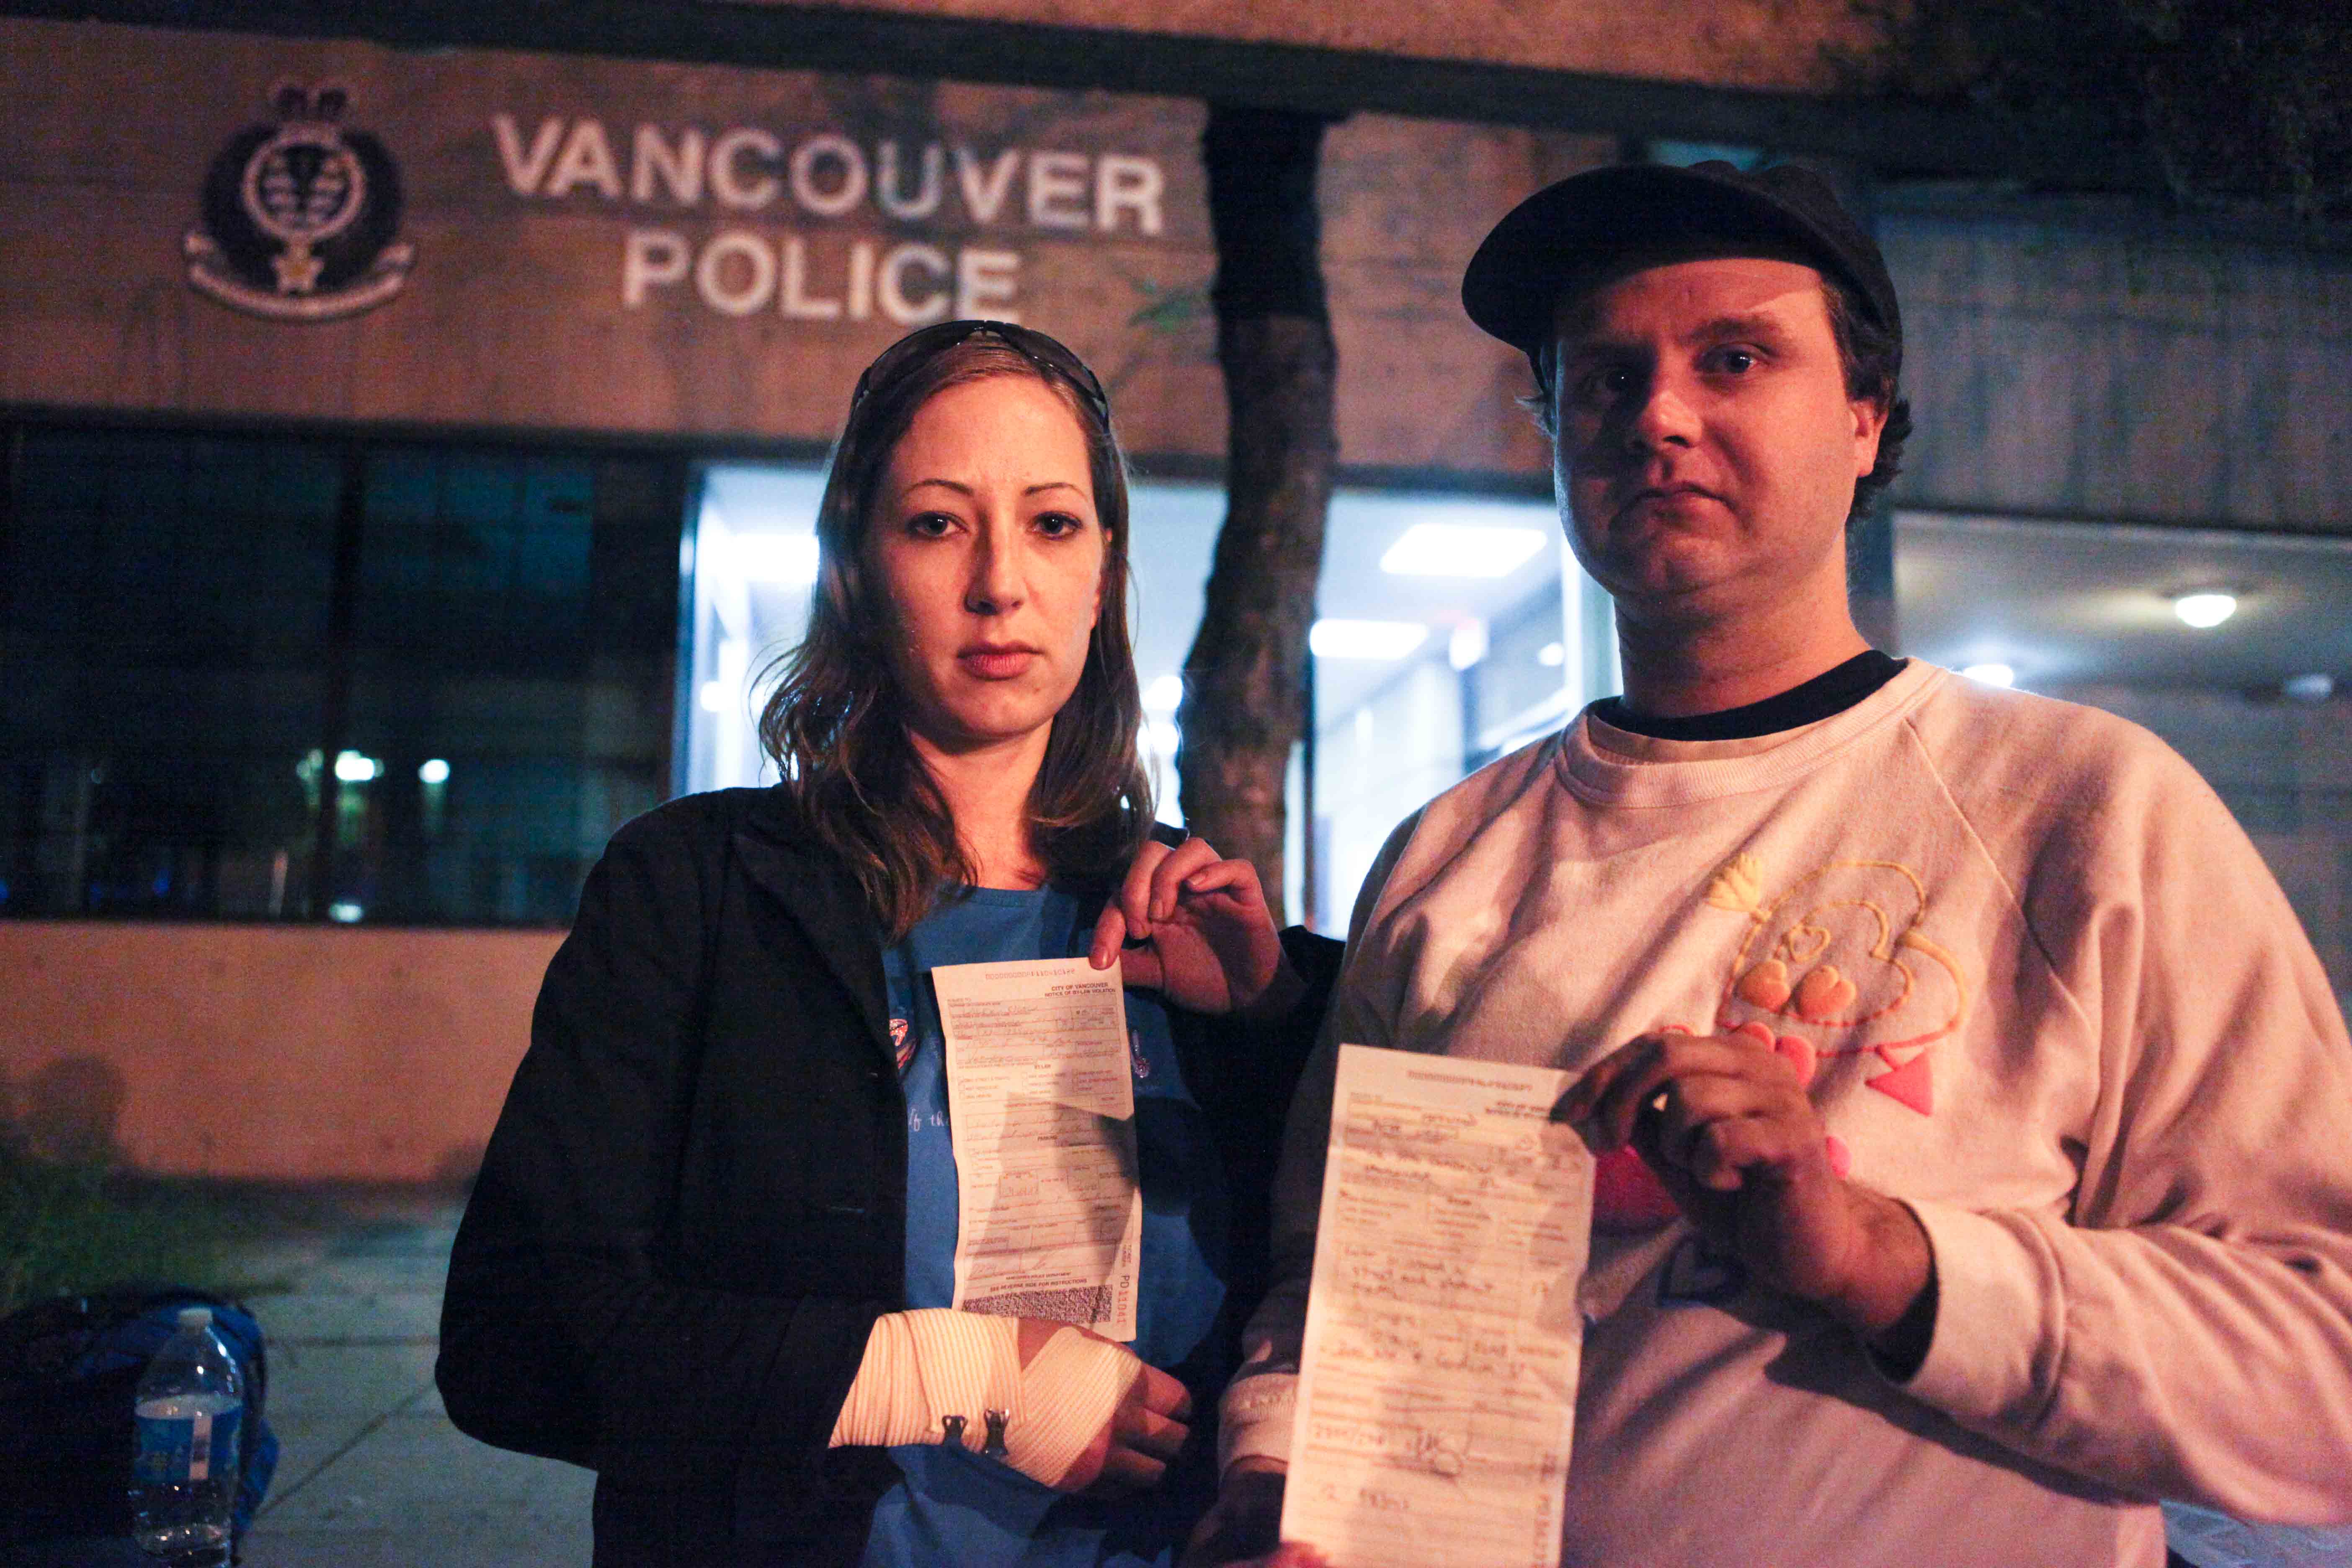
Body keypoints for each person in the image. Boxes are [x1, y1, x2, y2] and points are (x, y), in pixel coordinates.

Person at [1193, 162, 2352, 1568]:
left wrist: (1881, 1258)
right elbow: (1336, 1295)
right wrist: (1276, 1485)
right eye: (1605, 381)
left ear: (1865, 420)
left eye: (1734, 359)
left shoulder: (2081, 809)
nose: (1660, 416)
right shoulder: (1450, 860)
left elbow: (2322, 1362)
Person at [436, 319, 1338, 1567]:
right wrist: (950, 1375)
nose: (998, 584)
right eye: (936, 523)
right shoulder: (695, 895)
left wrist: (1274, 1016)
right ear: (856, 566)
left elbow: (1355, 1297)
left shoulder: (1186, 931)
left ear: (1105, 578)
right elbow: (515, 1342)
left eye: (1052, 524)